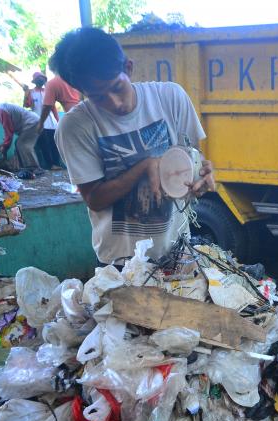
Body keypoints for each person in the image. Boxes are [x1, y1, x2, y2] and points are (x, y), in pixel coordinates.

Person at [53, 27, 216, 267]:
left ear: (128, 68)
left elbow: (194, 157)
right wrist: (144, 167)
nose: (115, 103)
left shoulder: (171, 97)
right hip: (120, 263)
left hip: (178, 252)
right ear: (82, 91)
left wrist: (202, 174)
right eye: (98, 96)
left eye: (117, 88)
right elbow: (95, 199)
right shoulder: (75, 126)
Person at [0, 96, 41, 170]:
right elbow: (8, 131)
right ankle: (24, 167)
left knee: (22, 144)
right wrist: (5, 145)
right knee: (18, 143)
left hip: (31, 122)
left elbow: (9, 131)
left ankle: (34, 168)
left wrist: (5, 146)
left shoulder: (1, 111)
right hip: (33, 121)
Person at [23, 71, 62, 170]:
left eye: (42, 78)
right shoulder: (30, 92)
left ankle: (57, 163)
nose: (41, 80)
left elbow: (53, 107)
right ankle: (49, 165)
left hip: (52, 123)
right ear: (34, 81)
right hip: (38, 122)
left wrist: (58, 121)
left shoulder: (48, 91)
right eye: (38, 79)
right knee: (44, 145)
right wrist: (26, 94)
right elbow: (27, 105)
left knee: (54, 144)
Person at [36, 66, 82, 135]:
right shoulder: (75, 78)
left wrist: (40, 124)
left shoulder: (52, 83)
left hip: (73, 117)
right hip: (85, 113)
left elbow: (47, 106)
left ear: (52, 68)